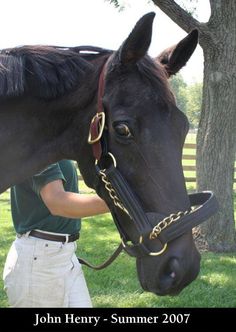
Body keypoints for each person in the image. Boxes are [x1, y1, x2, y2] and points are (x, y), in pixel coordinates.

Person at [3, 160, 109, 307]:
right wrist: (118, 200)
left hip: (64, 256)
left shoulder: (55, 146)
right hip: (39, 261)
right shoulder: (38, 146)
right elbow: (57, 202)